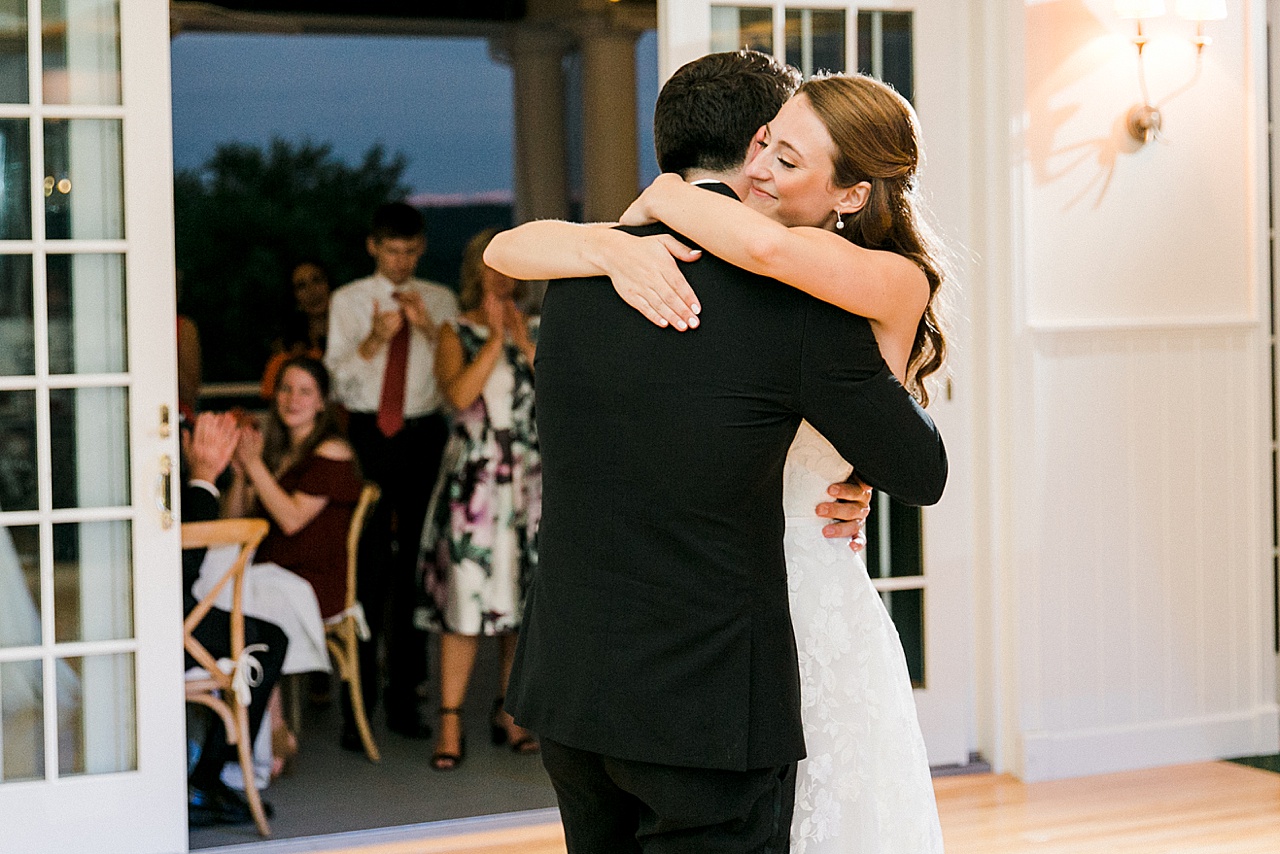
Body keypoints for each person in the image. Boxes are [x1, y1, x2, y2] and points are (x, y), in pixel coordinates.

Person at [487, 51, 948, 853]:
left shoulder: (579, 279)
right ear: (748, 150)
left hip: (577, 683)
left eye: (789, 153)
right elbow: (917, 464)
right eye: (767, 146)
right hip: (712, 696)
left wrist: (641, 215)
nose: (767, 168)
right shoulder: (799, 316)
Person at [324, 202, 461, 738]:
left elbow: (453, 380)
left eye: (410, 251)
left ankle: (406, 699)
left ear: (421, 248)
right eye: (392, 251)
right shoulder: (349, 301)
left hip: (424, 435)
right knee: (367, 567)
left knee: (417, 570)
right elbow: (335, 382)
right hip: (368, 436)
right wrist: (376, 339)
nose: (401, 262)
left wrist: (428, 331)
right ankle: (354, 705)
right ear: (373, 248)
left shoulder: (440, 300)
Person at [417, 228, 541, 771]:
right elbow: (459, 395)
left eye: (512, 266)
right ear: (476, 272)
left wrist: (521, 341)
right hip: (475, 482)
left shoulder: (537, 329)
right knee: (465, 600)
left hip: (529, 481)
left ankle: (509, 712)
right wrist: (494, 341)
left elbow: (562, 395)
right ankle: (449, 721)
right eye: (493, 266)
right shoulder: (455, 332)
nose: (503, 277)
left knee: (522, 598)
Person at [224, 356, 365, 753]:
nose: (292, 399)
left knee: (246, 598)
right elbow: (234, 521)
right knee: (231, 591)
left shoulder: (333, 450)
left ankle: (269, 727)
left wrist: (255, 466)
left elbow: (290, 520)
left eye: (305, 391)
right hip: (273, 571)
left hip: (314, 580)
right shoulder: (277, 450)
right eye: (285, 389)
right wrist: (241, 473)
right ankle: (264, 727)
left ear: (322, 402)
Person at [181, 411, 289, 827]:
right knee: (266, 641)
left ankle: (207, 774)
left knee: (270, 637)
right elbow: (188, 562)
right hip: (164, 627)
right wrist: (204, 476)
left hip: (172, 613)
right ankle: (206, 777)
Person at [260, 260, 333, 399]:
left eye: (317, 280)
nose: (312, 291)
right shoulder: (285, 353)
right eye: (301, 286)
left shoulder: (356, 338)